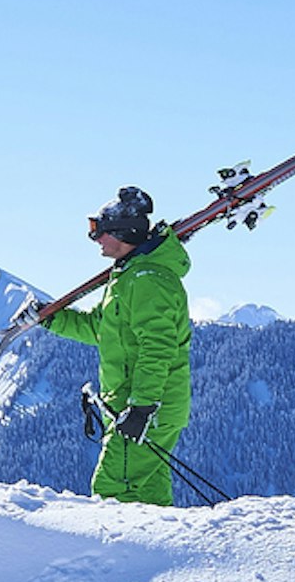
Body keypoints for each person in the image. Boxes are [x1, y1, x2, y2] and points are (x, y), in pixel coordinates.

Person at [41, 186, 193, 505]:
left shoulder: (148, 280)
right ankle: (161, 552)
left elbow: (158, 348)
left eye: (100, 231)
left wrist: (142, 406)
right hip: (132, 405)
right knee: (146, 493)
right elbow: (100, 329)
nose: (95, 239)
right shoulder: (128, 277)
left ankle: (119, 555)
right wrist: (50, 318)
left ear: (122, 232)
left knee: (113, 488)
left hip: (147, 407)